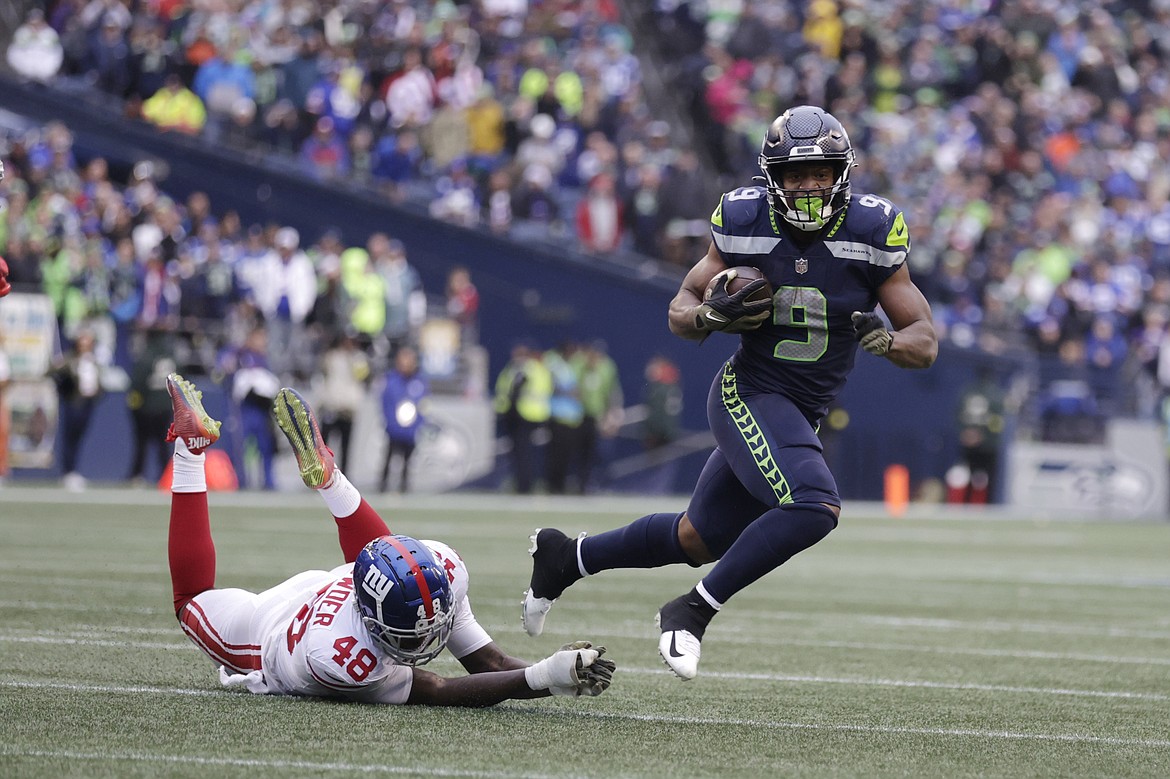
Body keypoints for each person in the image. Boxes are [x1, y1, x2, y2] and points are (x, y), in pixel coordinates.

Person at [520, 106, 937, 680]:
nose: (809, 185)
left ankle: (566, 557)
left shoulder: (872, 231)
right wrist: (711, 313)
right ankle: (690, 611)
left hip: (803, 410)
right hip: (751, 390)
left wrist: (886, 341)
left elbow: (925, 342)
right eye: (796, 174)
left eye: (821, 173)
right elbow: (679, 311)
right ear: (774, 176)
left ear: (842, 173)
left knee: (698, 536)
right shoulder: (745, 219)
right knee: (815, 505)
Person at [163, 373, 614, 705]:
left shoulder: (436, 570)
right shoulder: (341, 659)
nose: (426, 641)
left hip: (339, 586)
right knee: (190, 601)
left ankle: (327, 480)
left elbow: (488, 664)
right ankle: (190, 451)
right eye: (410, 634)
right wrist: (544, 676)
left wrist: (554, 672)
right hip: (272, 632)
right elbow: (442, 689)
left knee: (387, 558)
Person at [379, 344, 427, 493]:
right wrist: (391, 424)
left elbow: (424, 405)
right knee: (389, 458)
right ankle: (382, 486)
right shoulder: (391, 381)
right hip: (394, 429)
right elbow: (385, 404)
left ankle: (404, 487)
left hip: (410, 431)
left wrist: (417, 424)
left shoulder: (419, 382)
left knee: (408, 461)